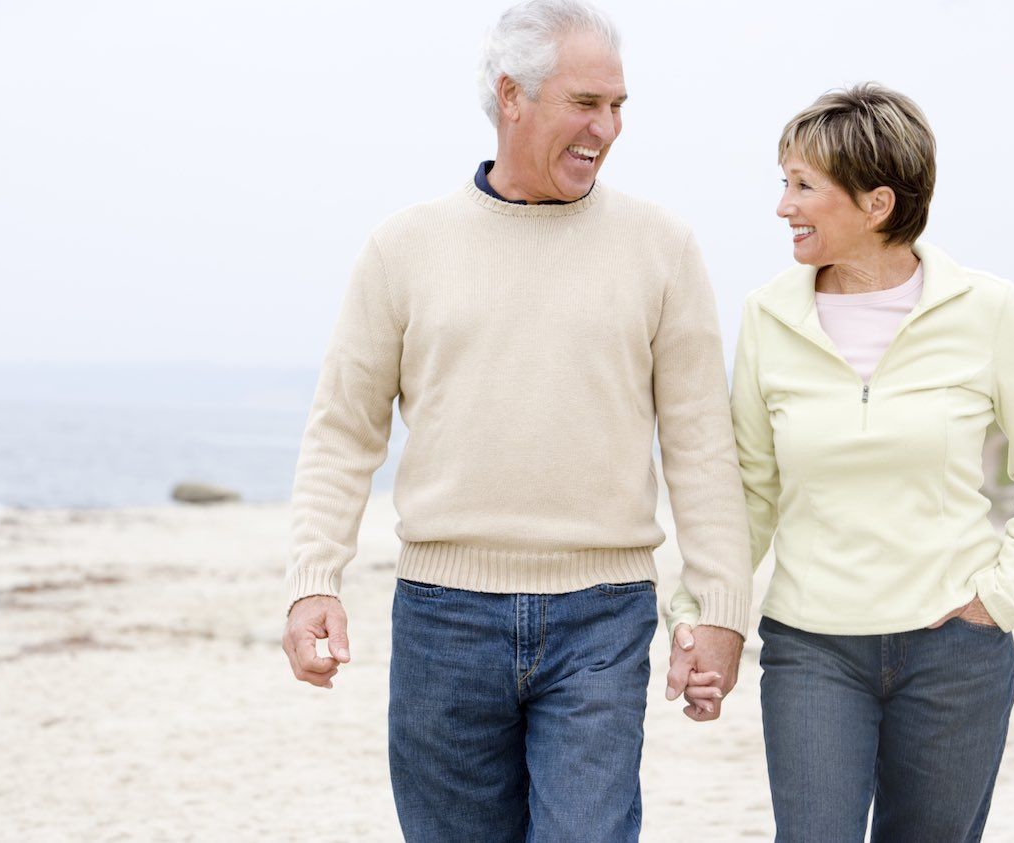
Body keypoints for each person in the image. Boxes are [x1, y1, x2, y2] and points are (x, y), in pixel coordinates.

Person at [281, 1, 751, 839]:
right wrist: (314, 580)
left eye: (617, 107)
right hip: (442, 616)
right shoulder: (403, 247)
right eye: (585, 103)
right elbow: (344, 431)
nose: (605, 128)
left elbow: (699, 442)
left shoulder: (662, 246)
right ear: (511, 95)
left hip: (603, 615)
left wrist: (718, 606)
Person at [667, 83, 1014, 841]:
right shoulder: (768, 316)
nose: (782, 206)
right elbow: (750, 492)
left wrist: (999, 596)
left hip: (955, 650)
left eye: (802, 186)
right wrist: (700, 614)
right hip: (811, 649)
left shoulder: (986, 310)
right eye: (781, 182)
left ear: (876, 204)